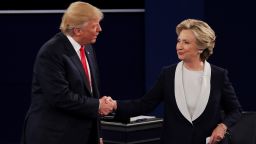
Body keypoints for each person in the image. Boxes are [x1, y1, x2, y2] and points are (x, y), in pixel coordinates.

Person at [111, 19, 242, 144]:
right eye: (179, 41)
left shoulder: (219, 75)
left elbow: (235, 110)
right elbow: (145, 104)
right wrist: (115, 105)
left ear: (201, 47)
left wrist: (223, 126)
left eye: (186, 42)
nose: (179, 46)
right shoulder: (168, 74)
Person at [21, 2, 114, 144]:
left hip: (82, 135)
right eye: (94, 26)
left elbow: (90, 93)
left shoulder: (87, 48)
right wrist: (98, 105)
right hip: (54, 136)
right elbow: (60, 97)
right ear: (77, 30)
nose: (99, 29)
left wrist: (97, 133)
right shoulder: (51, 52)